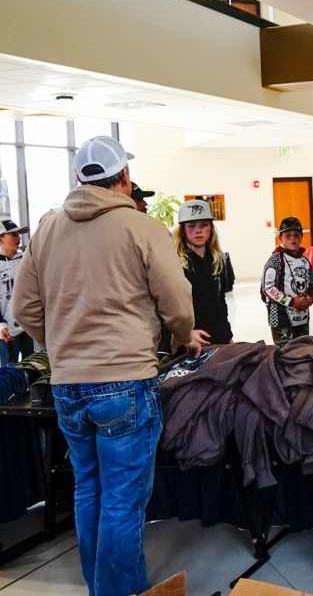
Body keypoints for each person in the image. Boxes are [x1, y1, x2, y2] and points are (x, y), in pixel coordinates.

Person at [12, 135, 205, 596]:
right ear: (125, 178)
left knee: (89, 489)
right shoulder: (141, 227)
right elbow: (177, 301)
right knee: (122, 500)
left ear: (79, 178)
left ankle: (102, 585)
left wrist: (62, 342)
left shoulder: (47, 229)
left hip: (67, 384)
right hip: (124, 380)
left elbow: (23, 308)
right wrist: (182, 334)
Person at [175, 199, 232, 345]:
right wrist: (185, 333)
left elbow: (220, 301)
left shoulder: (218, 260)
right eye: (191, 226)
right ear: (183, 230)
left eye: (204, 225)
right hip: (190, 340)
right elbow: (168, 306)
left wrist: (227, 334)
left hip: (219, 338)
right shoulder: (175, 262)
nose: (198, 231)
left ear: (211, 228)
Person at [262, 217, 313, 345]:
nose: (293, 238)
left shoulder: (305, 261)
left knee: (303, 349)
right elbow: (268, 288)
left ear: (302, 237)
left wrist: (311, 297)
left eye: (296, 235)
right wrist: (291, 301)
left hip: (302, 316)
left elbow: (312, 283)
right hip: (280, 316)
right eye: (288, 235)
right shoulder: (275, 260)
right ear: (280, 237)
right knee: (286, 352)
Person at [0, 219, 32, 364]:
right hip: (6, 331)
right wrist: (2, 326)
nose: (18, 238)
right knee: (10, 370)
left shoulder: (26, 260)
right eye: (13, 235)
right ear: (1, 239)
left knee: (33, 368)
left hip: (29, 327)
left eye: (18, 234)